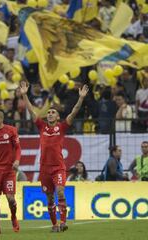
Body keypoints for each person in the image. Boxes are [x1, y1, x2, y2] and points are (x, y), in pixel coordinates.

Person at [20, 81, 89, 232]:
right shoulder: (41, 126)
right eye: (49, 112)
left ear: (57, 117)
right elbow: (31, 111)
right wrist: (25, 94)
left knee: (60, 192)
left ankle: (63, 222)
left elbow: (74, 112)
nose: (50, 114)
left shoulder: (62, 127)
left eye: (53, 112)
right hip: (44, 169)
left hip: (58, 168)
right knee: (50, 198)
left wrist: (81, 98)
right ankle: (54, 225)